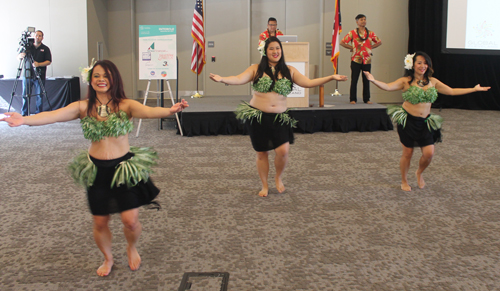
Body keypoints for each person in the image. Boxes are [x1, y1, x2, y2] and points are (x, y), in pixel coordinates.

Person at [1, 60, 189, 276]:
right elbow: (52, 116)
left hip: (123, 169)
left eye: (106, 76)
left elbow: (149, 111)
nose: (101, 80)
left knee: (130, 221)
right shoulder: (83, 107)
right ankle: (107, 258)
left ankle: (131, 246)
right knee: (100, 221)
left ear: (114, 79)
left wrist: (171, 110)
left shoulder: (126, 105)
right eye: (97, 75)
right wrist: (24, 119)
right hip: (97, 170)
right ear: (91, 79)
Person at [209, 37, 347, 197]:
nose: (275, 52)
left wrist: (330, 77)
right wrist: (222, 79)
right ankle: (264, 185)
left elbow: (308, 82)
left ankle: (278, 177)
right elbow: (239, 79)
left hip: (279, 118)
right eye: (271, 49)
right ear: (265, 52)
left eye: (278, 48)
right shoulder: (256, 69)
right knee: (262, 153)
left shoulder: (289, 70)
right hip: (258, 117)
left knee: (283, 151)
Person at [364, 51, 490, 191]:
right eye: (419, 63)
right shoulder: (405, 81)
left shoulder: (433, 81)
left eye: (425, 63)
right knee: (408, 153)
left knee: (429, 153)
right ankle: (404, 180)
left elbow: (452, 91)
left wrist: (474, 89)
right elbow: (388, 87)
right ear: (412, 65)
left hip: (425, 122)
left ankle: (419, 172)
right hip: (408, 121)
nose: (422, 66)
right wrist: (373, 80)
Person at [340, 14, 382, 104]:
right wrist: (351, 47)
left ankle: (367, 99)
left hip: (367, 59)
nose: (363, 21)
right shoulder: (353, 33)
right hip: (356, 59)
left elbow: (379, 42)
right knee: (354, 79)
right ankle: (352, 99)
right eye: (361, 19)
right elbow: (342, 42)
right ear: (357, 21)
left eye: (364, 19)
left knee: (367, 80)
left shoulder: (370, 33)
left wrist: (371, 47)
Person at [17, 30, 52, 116]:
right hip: (27, 75)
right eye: (36, 35)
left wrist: (39, 64)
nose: (37, 37)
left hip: (39, 75)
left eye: (39, 36)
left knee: (39, 96)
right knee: (25, 95)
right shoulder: (27, 47)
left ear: (42, 38)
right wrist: (20, 56)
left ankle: (38, 114)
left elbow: (49, 61)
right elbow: (18, 57)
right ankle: (24, 113)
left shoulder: (46, 48)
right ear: (34, 36)